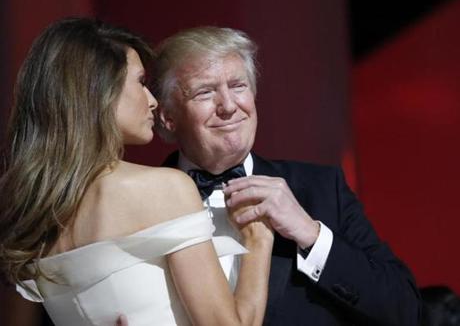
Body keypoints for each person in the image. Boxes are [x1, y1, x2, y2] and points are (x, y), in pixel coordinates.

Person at [0, 18, 274, 326]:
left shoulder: (30, 209)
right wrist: (258, 241)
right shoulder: (165, 188)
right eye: (141, 82)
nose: (153, 101)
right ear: (101, 90)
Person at [151, 26, 422, 325]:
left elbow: (405, 310)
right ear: (168, 116)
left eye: (238, 86)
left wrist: (310, 234)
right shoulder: (137, 202)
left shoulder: (321, 188)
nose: (229, 106)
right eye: (205, 92)